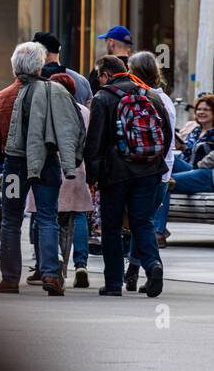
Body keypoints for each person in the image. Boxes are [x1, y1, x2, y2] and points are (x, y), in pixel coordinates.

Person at [0, 42, 82, 296]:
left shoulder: (1, 97)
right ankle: (51, 273)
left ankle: (9, 278)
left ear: (14, 67)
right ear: (40, 66)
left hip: (15, 165)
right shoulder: (53, 92)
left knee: (10, 220)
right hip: (47, 162)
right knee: (47, 216)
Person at [84, 55, 172, 299]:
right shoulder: (150, 95)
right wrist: (155, 162)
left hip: (115, 174)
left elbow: (95, 142)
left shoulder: (103, 98)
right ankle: (153, 265)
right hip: (149, 170)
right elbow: (165, 134)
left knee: (111, 227)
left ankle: (113, 283)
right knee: (141, 222)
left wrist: (92, 177)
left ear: (105, 75)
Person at [32, 73, 94, 288]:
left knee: (45, 216)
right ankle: (81, 264)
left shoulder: (46, 109)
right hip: (77, 169)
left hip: (49, 167)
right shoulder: (85, 112)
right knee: (78, 215)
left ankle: (51, 261)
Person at [125, 52, 177, 292]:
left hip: (145, 170)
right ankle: (134, 271)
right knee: (142, 220)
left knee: (140, 221)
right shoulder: (165, 99)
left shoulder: (141, 97)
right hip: (164, 171)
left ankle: (151, 266)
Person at [33, 31, 91, 104]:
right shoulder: (81, 80)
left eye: (34, 53)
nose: (33, 57)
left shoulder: (36, 80)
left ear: (45, 53)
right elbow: (89, 112)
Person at [89, 26, 133, 93]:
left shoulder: (101, 68)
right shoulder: (136, 68)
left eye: (106, 41)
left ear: (111, 43)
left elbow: (92, 95)